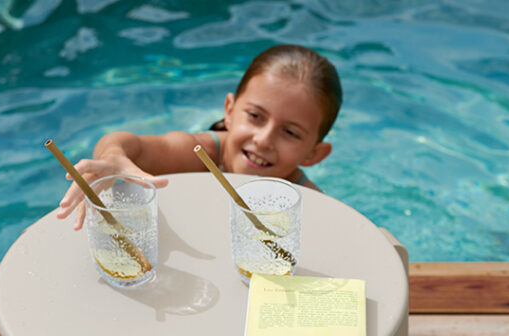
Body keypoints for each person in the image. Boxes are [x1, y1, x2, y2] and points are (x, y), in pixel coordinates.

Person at [56, 44, 342, 229]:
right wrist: (113, 159)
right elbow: (126, 144)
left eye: (290, 132)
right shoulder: (196, 155)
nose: (264, 139)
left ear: (313, 154)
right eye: (255, 116)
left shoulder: (310, 201)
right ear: (229, 110)